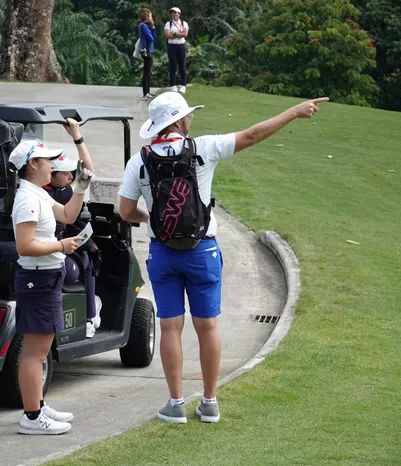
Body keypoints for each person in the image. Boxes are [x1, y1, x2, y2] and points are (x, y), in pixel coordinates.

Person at [119, 92, 328, 424]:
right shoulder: (204, 148)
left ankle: (175, 404)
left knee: (170, 327)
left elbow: (126, 211)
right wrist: (293, 111)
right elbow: (253, 135)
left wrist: (154, 220)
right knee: (208, 326)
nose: (191, 119)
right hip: (203, 251)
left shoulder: (139, 161)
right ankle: (209, 402)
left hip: (163, 253)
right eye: (187, 115)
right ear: (178, 121)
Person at [6, 134, 93, 435]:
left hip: (47, 277)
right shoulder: (28, 199)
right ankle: (32, 417)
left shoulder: (39, 194)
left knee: (40, 349)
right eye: (48, 160)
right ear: (33, 164)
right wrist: (61, 245)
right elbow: (25, 245)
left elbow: (68, 214)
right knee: (34, 352)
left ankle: (38, 406)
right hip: (37, 279)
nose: (53, 165)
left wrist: (79, 188)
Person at [41, 118, 100, 338]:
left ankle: (90, 315)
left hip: (53, 249)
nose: (70, 176)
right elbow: (88, 170)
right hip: (52, 254)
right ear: (51, 174)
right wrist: (77, 136)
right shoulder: (61, 193)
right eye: (65, 172)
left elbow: (85, 171)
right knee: (87, 260)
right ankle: (89, 317)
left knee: (85, 255)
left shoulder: (35, 190)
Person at [164, 7, 189, 94]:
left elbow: (185, 34)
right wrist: (179, 35)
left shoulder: (183, 23)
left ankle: (183, 85)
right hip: (172, 46)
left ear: (179, 14)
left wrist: (174, 33)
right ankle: (173, 86)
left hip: (181, 46)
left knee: (182, 66)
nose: (174, 14)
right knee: (173, 67)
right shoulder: (168, 23)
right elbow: (167, 35)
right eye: (172, 13)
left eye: (175, 13)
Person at [138, 8, 157, 100]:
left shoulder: (145, 26)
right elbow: (151, 38)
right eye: (150, 16)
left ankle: (148, 92)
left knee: (148, 72)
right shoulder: (143, 26)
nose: (151, 18)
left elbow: (154, 37)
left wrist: (153, 26)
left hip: (150, 50)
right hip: (147, 51)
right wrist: (152, 25)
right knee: (146, 72)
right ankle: (145, 93)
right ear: (147, 16)